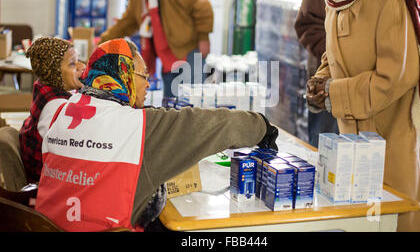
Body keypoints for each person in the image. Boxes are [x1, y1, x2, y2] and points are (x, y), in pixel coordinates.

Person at [34, 38, 279, 232]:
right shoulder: (136, 126)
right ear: (125, 75)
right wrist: (262, 127)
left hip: (43, 226)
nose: (149, 84)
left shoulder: (60, 110)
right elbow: (210, 125)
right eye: (144, 76)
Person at [305, 0, 420, 231]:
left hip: (394, 131)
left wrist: (333, 93)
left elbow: (395, 78)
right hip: (356, 135)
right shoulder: (337, 1)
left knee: (393, 217)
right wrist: (320, 81)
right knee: (363, 219)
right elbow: (334, 55)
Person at [294, 0, 402, 148]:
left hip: (369, 94)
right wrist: (332, 69)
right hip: (329, 88)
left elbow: (395, 73)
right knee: (324, 153)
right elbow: (308, 25)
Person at [99, 0, 213, 98]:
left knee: (192, 101)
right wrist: (103, 44)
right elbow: (126, 24)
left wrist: (204, 38)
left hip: (188, 52)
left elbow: (203, 6)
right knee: (171, 106)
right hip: (166, 60)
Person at [19, 37, 85, 184]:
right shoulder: (57, 106)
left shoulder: (46, 86)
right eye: (72, 64)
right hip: (46, 182)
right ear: (55, 72)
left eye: (79, 60)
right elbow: (66, 151)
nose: (82, 66)